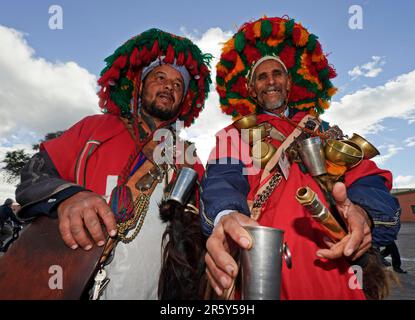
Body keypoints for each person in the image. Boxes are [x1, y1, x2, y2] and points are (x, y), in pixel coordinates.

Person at [201, 17, 399, 300]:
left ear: (289, 82)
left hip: (338, 267)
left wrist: (364, 214)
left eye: (277, 74)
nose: (271, 81)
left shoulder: (323, 129)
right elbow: (222, 181)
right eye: (262, 76)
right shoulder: (232, 134)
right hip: (261, 265)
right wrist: (227, 214)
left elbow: (366, 177)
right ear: (251, 88)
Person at [15, 29, 211, 299]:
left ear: (183, 100)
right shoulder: (94, 129)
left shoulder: (188, 157)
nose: (169, 86)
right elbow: (33, 175)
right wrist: (70, 197)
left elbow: (204, 226)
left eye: (178, 85)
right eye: (160, 77)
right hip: (76, 283)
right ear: (140, 86)